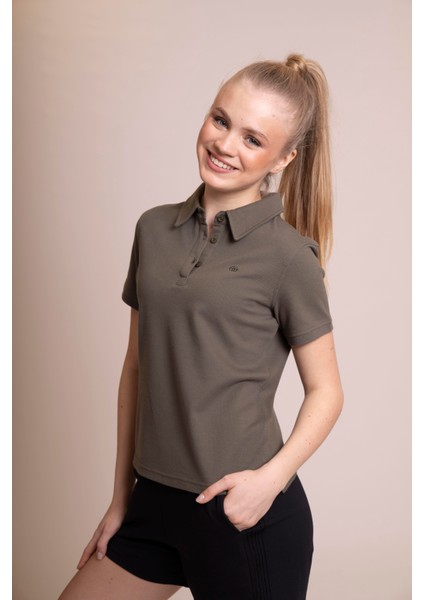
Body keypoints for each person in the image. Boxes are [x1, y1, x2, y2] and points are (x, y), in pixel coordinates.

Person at [58, 53, 344, 600]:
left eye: (253, 139)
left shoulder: (289, 257)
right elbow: (135, 368)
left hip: (242, 515)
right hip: (153, 505)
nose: (225, 144)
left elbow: (327, 392)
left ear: (284, 158)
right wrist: (121, 498)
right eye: (220, 120)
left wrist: (269, 483)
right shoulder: (152, 230)